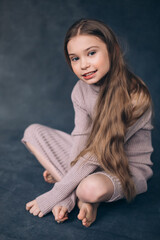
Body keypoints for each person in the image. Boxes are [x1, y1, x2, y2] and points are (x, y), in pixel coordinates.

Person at [22, 18, 153, 227]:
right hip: (91, 157)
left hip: (123, 168)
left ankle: (83, 196)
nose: (84, 65)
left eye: (91, 53)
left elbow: (97, 153)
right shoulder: (80, 90)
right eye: (75, 58)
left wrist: (57, 194)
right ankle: (74, 189)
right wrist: (66, 194)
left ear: (113, 50)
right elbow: (81, 138)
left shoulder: (135, 97)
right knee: (32, 132)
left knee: (88, 189)